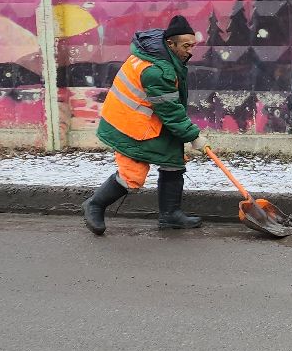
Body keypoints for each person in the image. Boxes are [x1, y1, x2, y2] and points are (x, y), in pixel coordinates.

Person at [81, 14, 210, 235]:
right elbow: (170, 110)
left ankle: (170, 215)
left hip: (149, 118)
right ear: (170, 43)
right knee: (133, 176)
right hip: (128, 124)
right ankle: (95, 204)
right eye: (186, 46)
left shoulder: (162, 52)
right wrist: (192, 135)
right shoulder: (157, 71)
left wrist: (184, 133)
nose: (190, 51)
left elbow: (168, 109)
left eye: (193, 45)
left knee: (173, 159)